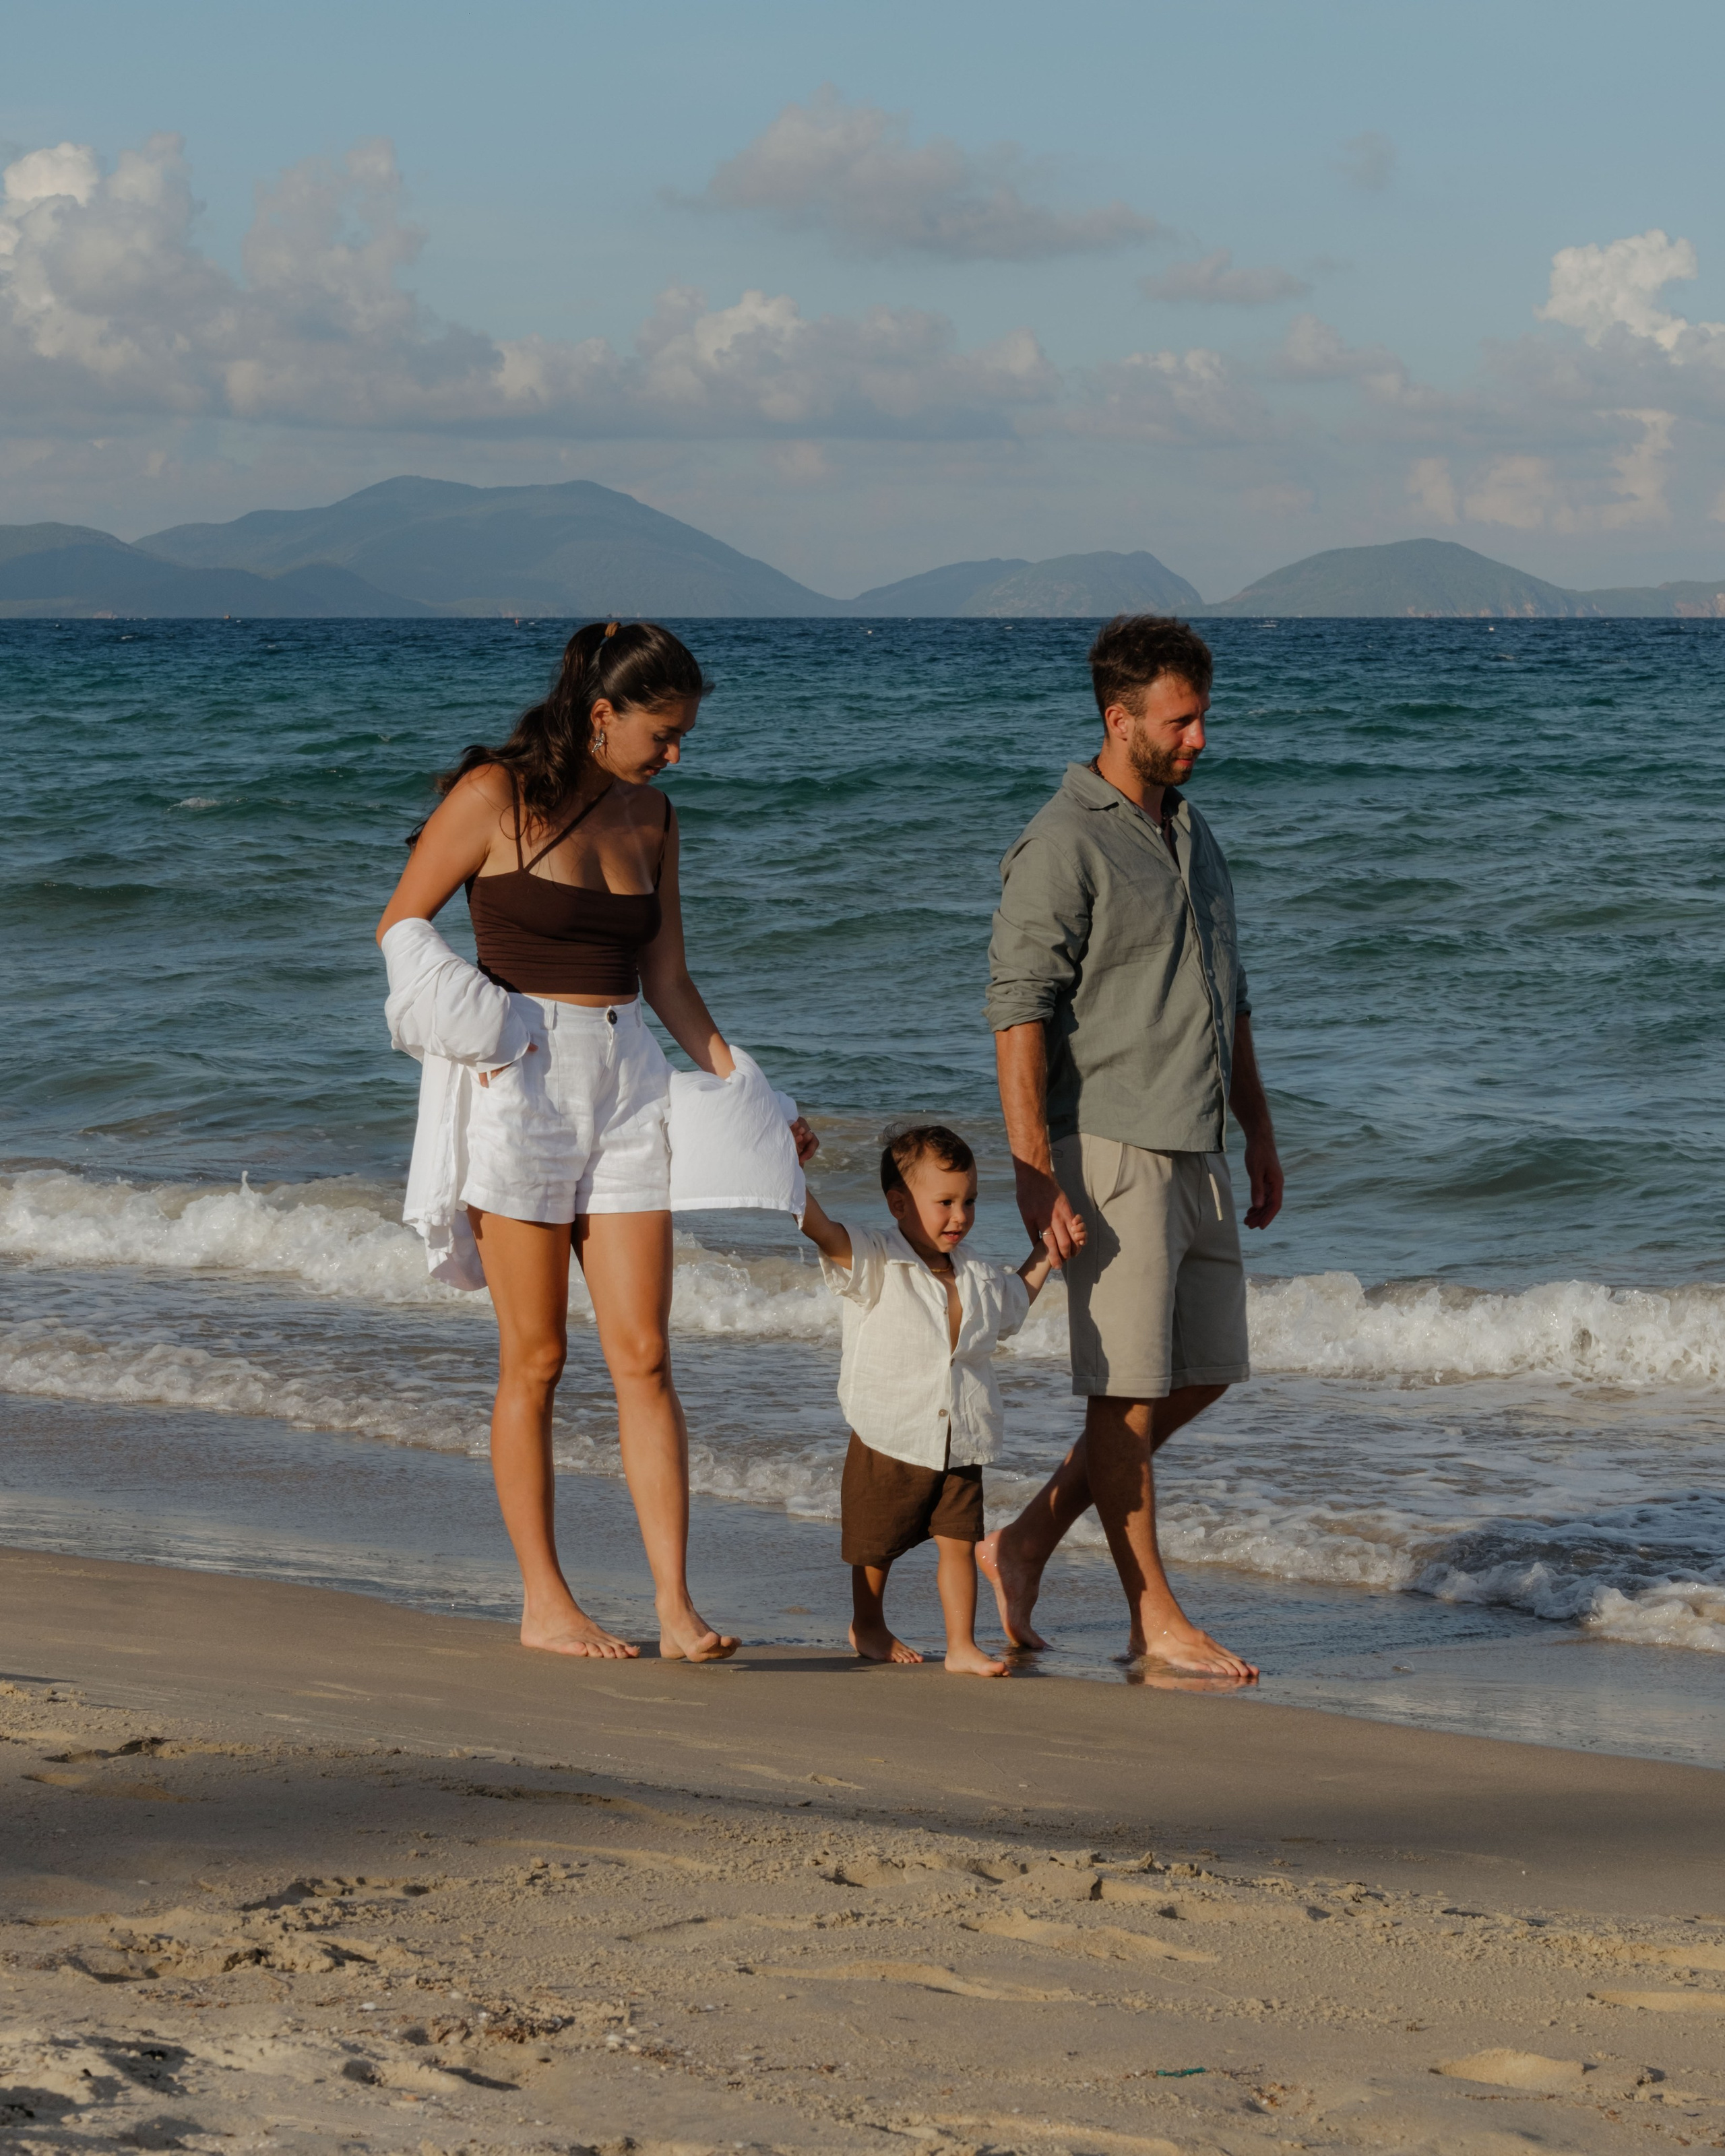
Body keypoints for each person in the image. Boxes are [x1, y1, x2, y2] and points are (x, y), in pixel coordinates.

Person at [376, 620, 816, 1665]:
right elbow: (401, 928)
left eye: (685, 737)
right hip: (522, 1080)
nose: (677, 756)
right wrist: (484, 1026)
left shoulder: (654, 818)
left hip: (630, 1083)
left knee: (646, 1356)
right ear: (602, 714)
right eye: (663, 735)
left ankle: (674, 1607)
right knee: (536, 1359)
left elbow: (667, 981)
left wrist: (750, 1087)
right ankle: (546, 1603)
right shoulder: (493, 796)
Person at [978, 615, 1282, 1680]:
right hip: (1107, 1145)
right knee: (1127, 1393)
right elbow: (1017, 1013)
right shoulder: (1063, 843)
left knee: (1206, 1371)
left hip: (1196, 1144)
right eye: (1181, 720)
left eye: (1203, 716)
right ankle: (1154, 1619)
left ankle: (1022, 1543)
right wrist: (1031, 1172)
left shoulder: (1196, 835)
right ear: (1120, 720)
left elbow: (1230, 1000)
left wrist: (1260, 1133)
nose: (1200, 737)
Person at [796, 1124, 1066, 1677]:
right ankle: (867, 1624)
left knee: (958, 1542)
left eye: (968, 1201)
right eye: (944, 1202)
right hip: (889, 1428)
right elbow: (819, 1229)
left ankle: (962, 1645)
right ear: (899, 1204)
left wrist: (1048, 1250)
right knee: (874, 1545)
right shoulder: (874, 1258)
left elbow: (1015, 1305)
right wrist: (789, 1169)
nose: (959, 1216)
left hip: (961, 1434)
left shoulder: (978, 1275)